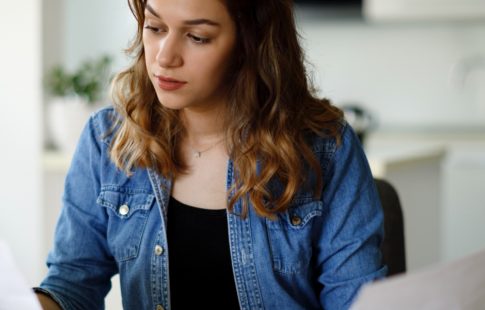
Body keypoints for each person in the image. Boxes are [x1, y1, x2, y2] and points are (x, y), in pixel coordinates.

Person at [35, 0, 387, 309]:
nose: (164, 56)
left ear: (251, 43)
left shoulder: (326, 149)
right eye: (154, 27)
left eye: (197, 37)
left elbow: (355, 300)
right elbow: (73, 284)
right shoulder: (107, 140)